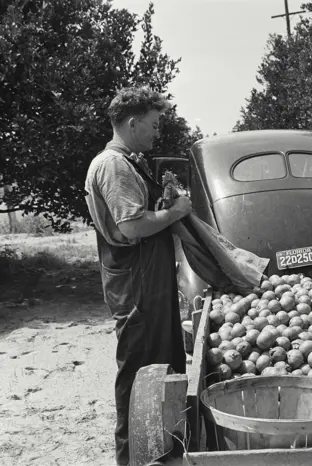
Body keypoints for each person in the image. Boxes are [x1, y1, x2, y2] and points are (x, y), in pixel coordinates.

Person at [84, 86, 192, 466]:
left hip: (147, 284)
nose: (156, 132)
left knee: (159, 374)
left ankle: (161, 454)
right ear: (132, 123)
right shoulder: (113, 165)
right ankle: (132, 460)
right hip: (136, 289)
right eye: (152, 125)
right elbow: (131, 227)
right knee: (138, 380)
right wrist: (176, 212)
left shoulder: (130, 162)